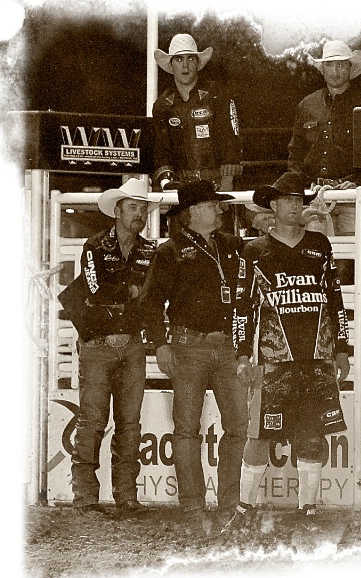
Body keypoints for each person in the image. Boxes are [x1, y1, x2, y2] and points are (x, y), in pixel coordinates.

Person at [222, 172, 350, 532]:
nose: (295, 205)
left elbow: (335, 299)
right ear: (273, 205)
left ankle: (308, 507)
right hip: (271, 360)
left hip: (316, 357)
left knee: (311, 434)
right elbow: (243, 306)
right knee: (258, 434)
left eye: (299, 199)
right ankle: (245, 506)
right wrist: (243, 355)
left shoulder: (319, 245)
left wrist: (342, 348)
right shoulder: (255, 250)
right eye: (288, 199)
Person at [139, 180, 248, 531]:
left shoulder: (231, 245)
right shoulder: (170, 252)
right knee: (188, 428)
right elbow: (152, 301)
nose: (220, 209)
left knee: (237, 425)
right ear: (193, 212)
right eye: (213, 204)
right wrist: (160, 343)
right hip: (188, 345)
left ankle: (228, 504)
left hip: (226, 344)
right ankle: (194, 505)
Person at [57, 177, 159, 517]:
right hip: (103, 343)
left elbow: (148, 299)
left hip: (123, 343)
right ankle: (86, 496)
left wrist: (128, 301)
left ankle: (125, 496)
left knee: (129, 423)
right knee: (93, 421)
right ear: (117, 211)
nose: (139, 214)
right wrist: (130, 295)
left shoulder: (147, 250)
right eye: (133, 208)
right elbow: (97, 291)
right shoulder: (95, 245)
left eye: (143, 208)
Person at [278, 39, 361, 235]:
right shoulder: (307, 105)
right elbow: (296, 152)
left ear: (349, 68)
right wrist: (301, 189)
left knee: (352, 258)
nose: (335, 70)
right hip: (314, 196)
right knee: (314, 253)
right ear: (322, 69)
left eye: (340, 64)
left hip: (352, 196)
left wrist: (360, 182)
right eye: (329, 64)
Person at [152, 33, 243, 192]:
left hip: (216, 185)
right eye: (179, 60)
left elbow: (230, 140)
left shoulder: (217, 95)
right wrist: (167, 182)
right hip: (181, 187)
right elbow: (161, 151)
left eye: (190, 59)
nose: (185, 66)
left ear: (197, 63)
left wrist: (226, 186)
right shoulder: (162, 105)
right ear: (171, 65)